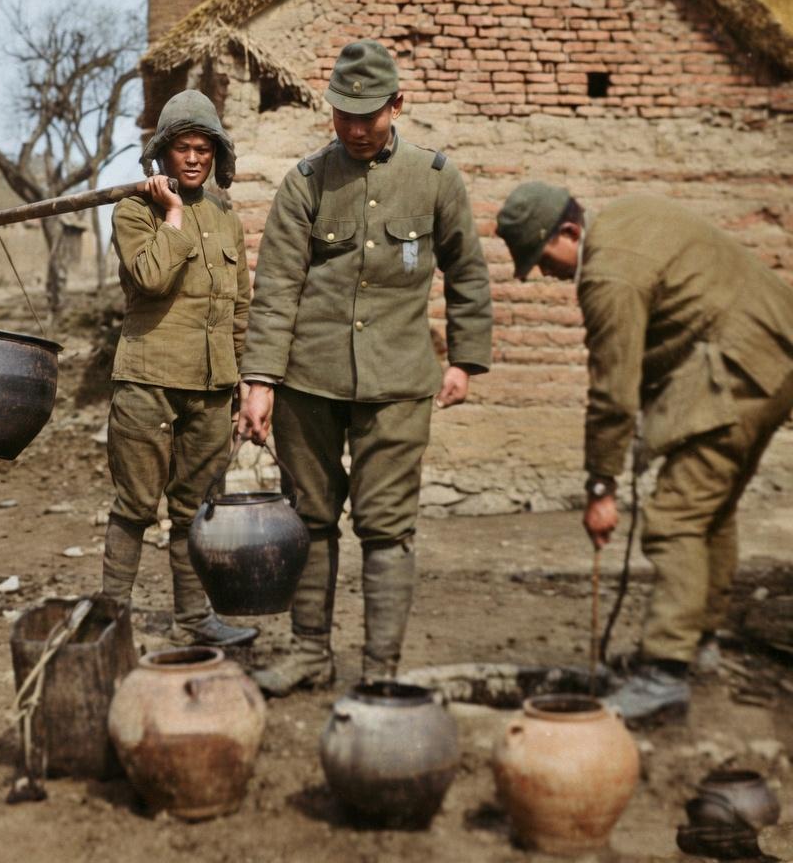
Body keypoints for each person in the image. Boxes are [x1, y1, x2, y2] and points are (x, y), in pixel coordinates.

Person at [238, 39, 492, 695]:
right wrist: (260, 380)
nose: (355, 129)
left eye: (369, 116)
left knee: (386, 528)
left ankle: (380, 671)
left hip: (399, 385)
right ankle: (309, 653)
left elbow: (467, 270)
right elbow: (276, 286)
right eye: (343, 115)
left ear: (397, 105)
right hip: (308, 382)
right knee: (308, 515)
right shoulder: (304, 182)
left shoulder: (435, 178)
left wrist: (464, 359)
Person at [496, 182, 793, 722]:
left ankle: (664, 673)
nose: (545, 275)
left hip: (739, 368)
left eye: (542, 259)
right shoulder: (629, 215)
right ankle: (698, 642)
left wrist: (600, 486)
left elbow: (612, 389)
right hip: (773, 358)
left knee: (673, 520)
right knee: (711, 511)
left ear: (568, 232)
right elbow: (678, 324)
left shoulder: (607, 275)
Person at [99, 89, 257, 646]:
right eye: (182, 148)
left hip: (210, 389)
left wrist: (241, 382)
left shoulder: (226, 217)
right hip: (148, 383)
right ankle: (109, 622)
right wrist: (171, 215)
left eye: (203, 149)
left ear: (215, 155)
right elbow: (150, 279)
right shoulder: (133, 210)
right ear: (162, 154)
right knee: (136, 506)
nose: (193, 159)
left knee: (196, 510)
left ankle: (194, 620)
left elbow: (239, 306)